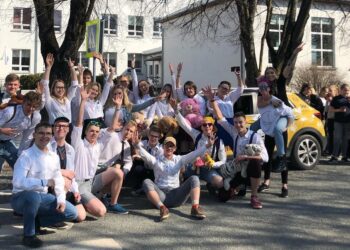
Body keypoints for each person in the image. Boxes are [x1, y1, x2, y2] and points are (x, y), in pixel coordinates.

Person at [11, 122, 77, 248]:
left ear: (51, 136)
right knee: (33, 196)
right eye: (41, 133)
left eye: (48, 134)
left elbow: (58, 180)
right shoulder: (26, 155)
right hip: (20, 198)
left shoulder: (54, 157)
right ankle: (29, 235)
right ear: (34, 135)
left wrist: (61, 200)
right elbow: (18, 182)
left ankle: (36, 222)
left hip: (42, 197)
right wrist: (44, 182)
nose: (44, 136)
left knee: (72, 212)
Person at [203, 86, 268, 209]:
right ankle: (238, 186)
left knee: (255, 162)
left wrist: (246, 156)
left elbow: (265, 157)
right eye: (236, 122)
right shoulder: (234, 132)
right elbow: (221, 118)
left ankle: (254, 196)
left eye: (241, 122)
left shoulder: (255, 136)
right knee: (222, 197)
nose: (238, 125)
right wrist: (212, 100)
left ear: (246, 122)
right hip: (238, 170)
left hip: (251, 169)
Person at [71, 87, 129, 216]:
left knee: (117, 172)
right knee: (100, 212)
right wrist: (83, 101)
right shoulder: (78, 143)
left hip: (92, 182)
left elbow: (113, 127)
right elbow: (79, 123)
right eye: (91, 131)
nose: (94, 134)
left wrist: (118, 107)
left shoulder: (99, 144)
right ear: (85, 132)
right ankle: (79, 202)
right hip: (79, 184)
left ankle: (113, 204)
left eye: (97, 132)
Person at [135, 134, 213, 221]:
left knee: (194, 178)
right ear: (163, 147)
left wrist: (207, 145)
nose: (169, 148)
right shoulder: (156, 160)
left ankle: (195, 208)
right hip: (161, 196)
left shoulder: (179, 159)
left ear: (175, 149)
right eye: (167, 145)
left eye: (172, 146)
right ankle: (162, 208)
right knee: (146, 182)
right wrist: (136, 145)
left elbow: (194, 154)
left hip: (176, 196)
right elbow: (144, 154)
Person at [172, 98, 226, 191]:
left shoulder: (219, 141)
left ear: (213, 126)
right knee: (180, 165)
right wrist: (176, 110)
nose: (207, 127)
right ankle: (181, 187)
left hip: (208, 169)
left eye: (209, 124)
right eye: (204, 125)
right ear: (201, 127)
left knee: (220, 183)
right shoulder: (196, 135)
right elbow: (184, 124)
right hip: (193, 167)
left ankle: (210, 185)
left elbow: (223, 160)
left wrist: (213, 164)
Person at [255, 83, 294, 197]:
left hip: (279, 132)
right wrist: (270, 101)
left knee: (282, 158)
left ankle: (284, 185)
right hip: (268, 132)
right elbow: (260, 104)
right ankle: (266, 182)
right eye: (261, 90)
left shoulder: (277, 101)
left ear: (269, 90)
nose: (263, 92)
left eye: (265, 89)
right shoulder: (262, 100)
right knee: (267, 156)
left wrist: (286, 127)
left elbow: (290, 115)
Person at [49, 117, 86, 222]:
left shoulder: (70, 149)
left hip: (66, 185)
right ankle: (54, 214)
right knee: (63, 179)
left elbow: (72, 175)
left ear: (68, 129)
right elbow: (46, 170)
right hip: (50, 184)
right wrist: (63, 172)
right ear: (53, 128)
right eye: (57, 126)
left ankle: (61, 207)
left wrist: (76, 191)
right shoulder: (47, 145)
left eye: (64, 126)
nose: (60, 128)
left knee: (81, 216)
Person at [0, 91, 42, 169]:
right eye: (28, 105)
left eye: (34, 106)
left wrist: (22, 154)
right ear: (23, 103)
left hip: (8, 142)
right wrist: (1, 130)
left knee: (20, 167)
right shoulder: (10, 112)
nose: (31, 108)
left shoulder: (35, 117)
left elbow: (27, 138)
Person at [207, 69, 244, 149]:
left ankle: (236, 159)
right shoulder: (213, 98)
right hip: (220, 123)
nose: (224, 90)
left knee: (234, 143)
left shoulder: (230, 97)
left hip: (231, 121)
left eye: (227, 89)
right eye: (223, 88)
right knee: (220, 145)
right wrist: (211, 99)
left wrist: (238, 76)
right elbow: (210, 109)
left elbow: (240, 89)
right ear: (218, 88)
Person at [41, 53, 79, 124]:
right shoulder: (49, 101)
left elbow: (74, 84)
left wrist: (72, 68)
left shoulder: (67, 99)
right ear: (53, 89)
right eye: (58, 87)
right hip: (55, 129)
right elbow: (45, 84)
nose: (60, 90)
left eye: (62, 87)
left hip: (67, 129)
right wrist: (48, 68)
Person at [125, 125, 163, 193]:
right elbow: (136, 145)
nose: (153, 138)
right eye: (151, 135)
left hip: (154, 172)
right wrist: (135, 144)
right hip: (144, 168)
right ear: (148, 135)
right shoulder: (144, 142)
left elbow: (154, 164)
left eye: (156, 136)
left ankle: (146, 189)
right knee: (137, 168)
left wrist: (142, 157)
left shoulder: (161, 149)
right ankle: (138, 186)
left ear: (159, 138)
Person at [328, 83, 350, 163]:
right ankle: (334, 156)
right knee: (337, 139)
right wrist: (339, 110)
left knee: (345, 140)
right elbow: (330, 109)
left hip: (348, 122)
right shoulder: (336, 98)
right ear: (341, 90)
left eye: (348, 90)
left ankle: (344, 156)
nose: (346, 92)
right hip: (338, 122)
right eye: (345, 90)